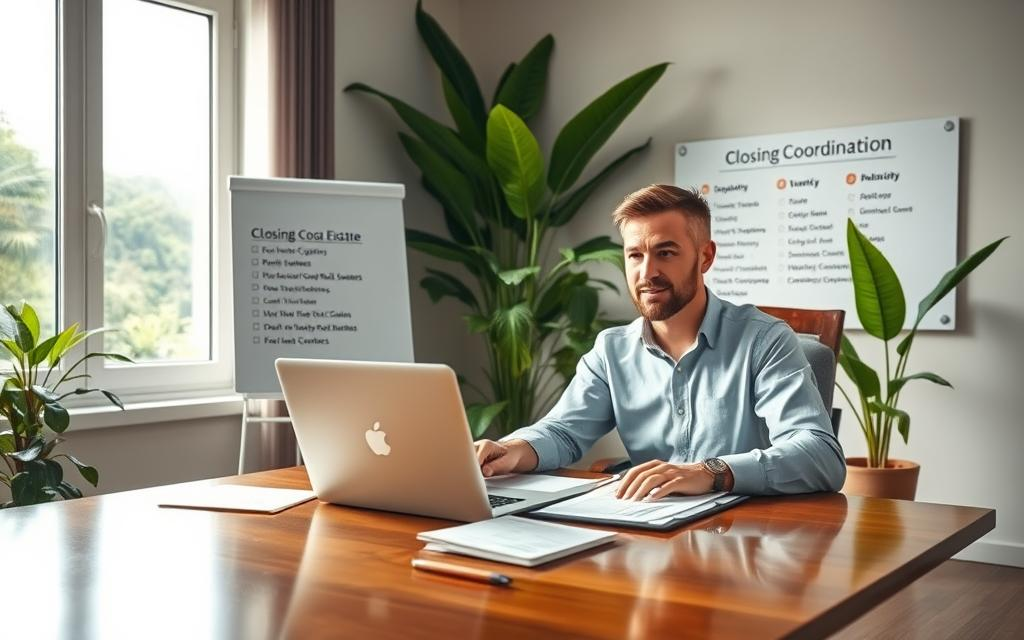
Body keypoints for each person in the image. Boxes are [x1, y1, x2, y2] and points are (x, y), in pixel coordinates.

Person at [473, 184, 846, 499]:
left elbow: (821, 455)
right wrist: (512, 449)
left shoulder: (764, 341)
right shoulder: (611, 350)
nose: (647, 272)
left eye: (665, 253)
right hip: (648, 533)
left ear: (705, 257)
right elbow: (563, 432)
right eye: (635, 255)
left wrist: (711, 471)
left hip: (745, 539)